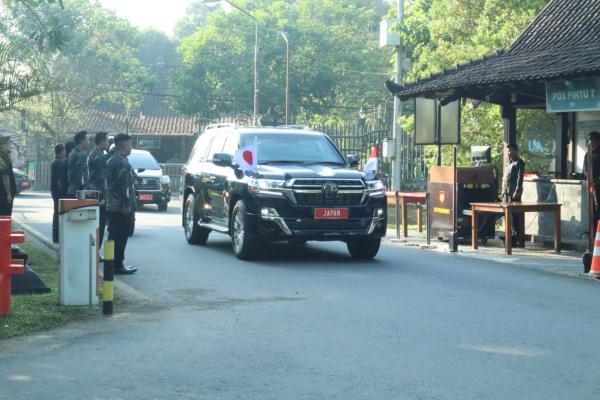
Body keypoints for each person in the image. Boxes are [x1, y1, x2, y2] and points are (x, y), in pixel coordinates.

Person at [106, 133, 137, 274]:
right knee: (121, 235)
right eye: (130, 145)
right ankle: (118, 264)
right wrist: (127, 204)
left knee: (113, 234)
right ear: (124, 146)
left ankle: (111, 263)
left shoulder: (111, 160)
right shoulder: (123, 162)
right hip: (120, 207)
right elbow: (125, 186)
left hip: (111, 204)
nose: (131, 148)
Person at [87, 132, 110, 247]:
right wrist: (105, 198)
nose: (108, 142)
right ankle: (96, 251)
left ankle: (94, 250)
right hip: (99, 194)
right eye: (107, 140)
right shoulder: (100, 156)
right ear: (101, 141)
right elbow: (102, 179)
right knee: (99, 225)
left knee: (94, 224)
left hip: (92, 192)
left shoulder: (93, 153)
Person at [502, 143, 526, 247]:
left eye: (511, 151)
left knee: (516, 216)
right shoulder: (508, 163)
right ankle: (510, 234)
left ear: (516, 151)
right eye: (508, 151)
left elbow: (519, 178)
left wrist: (517, 191)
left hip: (514, 193)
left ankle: (517, 236)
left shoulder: (519, 163)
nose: (509, 153)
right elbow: (505, 179)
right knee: (507, 215)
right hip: (506, 193)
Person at [583, 131, 600, 235]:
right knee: (592, 209)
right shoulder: (587, 154)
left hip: (598, 184)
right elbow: (585, 170)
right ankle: (593, 232)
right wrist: (589, 181)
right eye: (589, 141)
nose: (591, 143)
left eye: (593, 140)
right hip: (590, 185)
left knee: (598, 208)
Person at [50, 144, 67, 243]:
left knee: (56, 212)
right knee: (57, 213)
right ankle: (56, 236)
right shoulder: (59, 162)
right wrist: (62, 192)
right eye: (64, 150)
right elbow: (59, 179)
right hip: (58, 192)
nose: (65, 152)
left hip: (54, 191)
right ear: (61, 151)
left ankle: (56, 235)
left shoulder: (54, 161)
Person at [68, 131, 89, 197]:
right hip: (76, 191)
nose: (89, 142)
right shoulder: (75, 154)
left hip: (82, 190)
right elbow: (73, 173)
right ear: (82, 141)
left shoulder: (83, 153)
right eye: (87, 140)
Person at [0, 137, 16, 217]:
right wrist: (9, 193)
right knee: (5, 216)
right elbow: (5, 177)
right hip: (3, 194)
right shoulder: (4, 160)